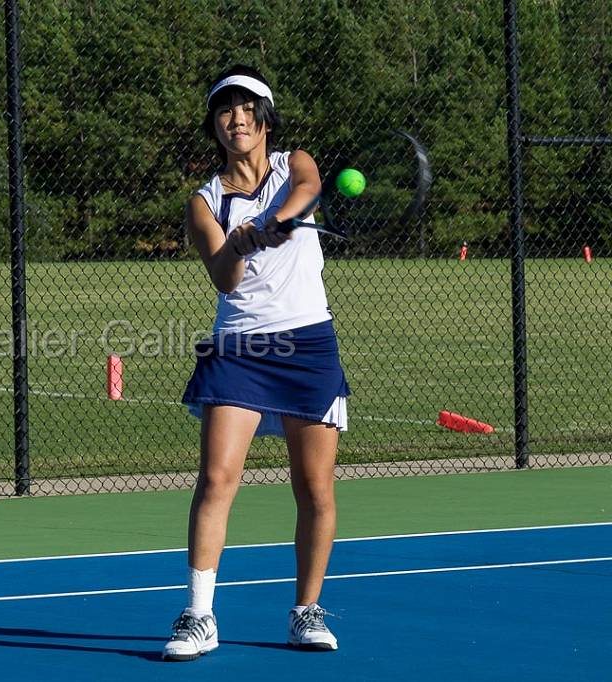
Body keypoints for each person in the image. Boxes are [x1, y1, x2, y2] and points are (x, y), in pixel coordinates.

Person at [162, 65, 350, 661]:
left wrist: (272, 223)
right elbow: (224, 276)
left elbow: (307, 191)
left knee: (315, 488)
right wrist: (239, 243)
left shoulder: (296, 161)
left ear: (264, 119)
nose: (237, 118)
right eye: (225, 110)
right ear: (214, 126)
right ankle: (198, 617)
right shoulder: (204, 202)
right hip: (241, 348)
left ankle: (306, 612)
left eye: (247, 108)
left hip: (307, 344)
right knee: (217, 479)